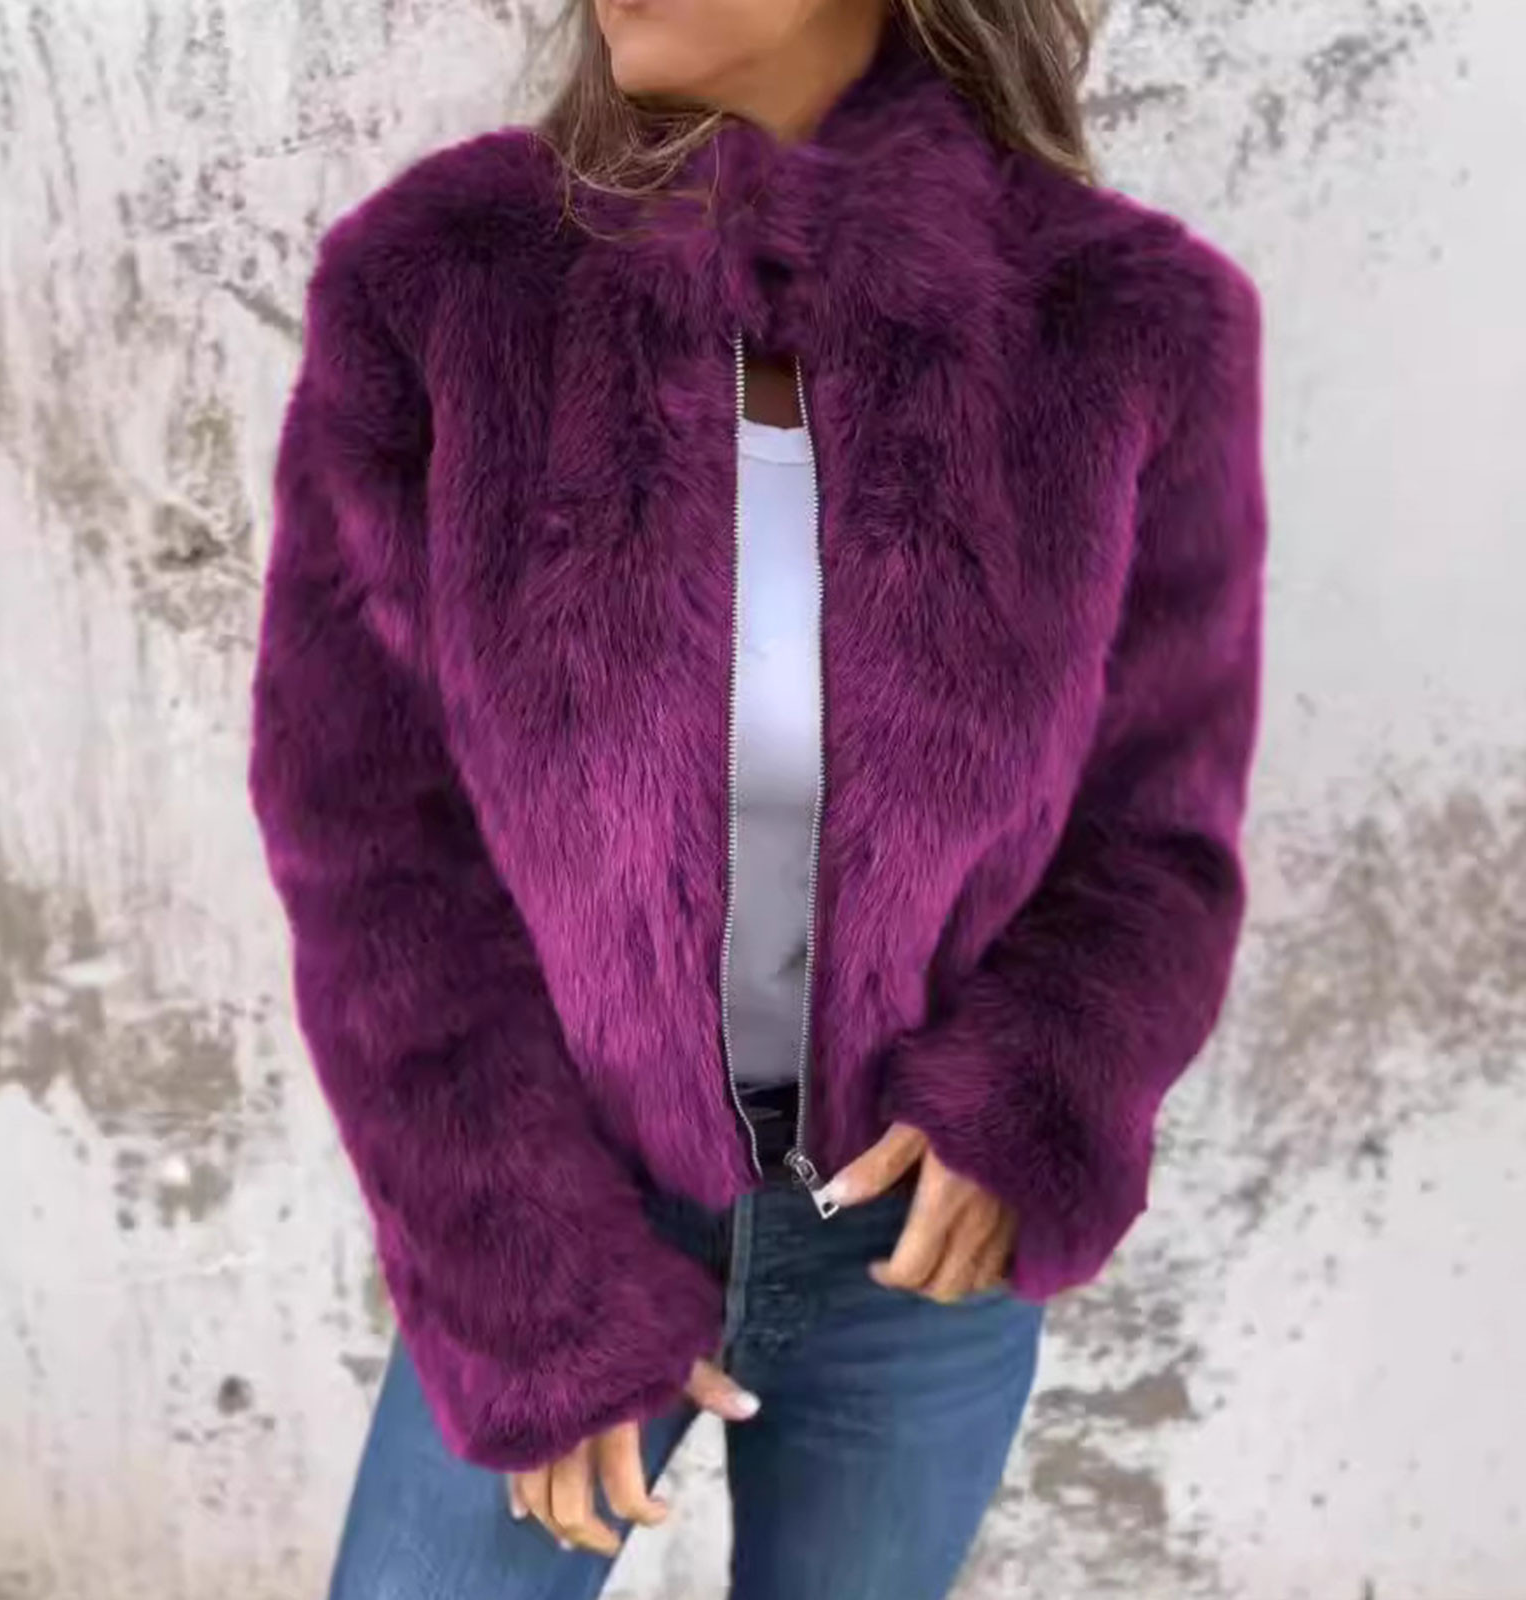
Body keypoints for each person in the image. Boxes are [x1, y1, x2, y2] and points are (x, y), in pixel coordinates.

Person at [246, 0, 1266, 1590]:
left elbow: (1157, 833)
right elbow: (368, 842)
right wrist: (525, 1279)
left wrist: (1033, 1099)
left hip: (918, 1252)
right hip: (561, 1209)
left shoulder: (1131, 325)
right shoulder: (441, 287)